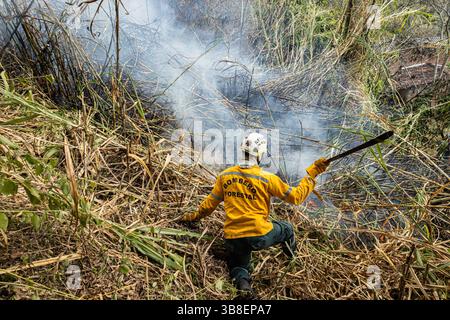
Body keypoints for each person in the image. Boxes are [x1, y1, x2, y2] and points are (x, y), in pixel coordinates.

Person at [182, 132, 330, 296]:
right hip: (259, 235)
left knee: (239, 268)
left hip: (233, 237)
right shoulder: (267, 178)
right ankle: (293, 262)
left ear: (242, 151)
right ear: (260, 154)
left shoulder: (225, 176)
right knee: (287, 229)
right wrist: (312, 174)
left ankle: (244, 288)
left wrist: (192, 217)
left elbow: (208, 207)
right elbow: (296, 197)